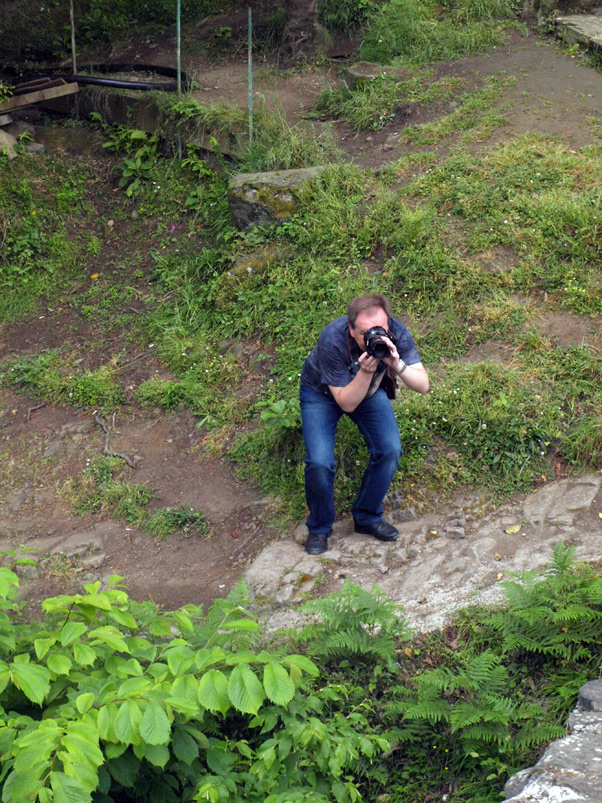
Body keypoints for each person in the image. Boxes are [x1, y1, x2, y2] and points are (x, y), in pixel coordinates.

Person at [299, 294, 429, 555]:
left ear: (388, 325)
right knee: (320, 462)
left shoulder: (397, 333)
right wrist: (367, 371)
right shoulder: (333, 339)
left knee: (389, 448)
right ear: (350, 329)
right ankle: (319, 528)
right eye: (365, 333)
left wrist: (396, 363)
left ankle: (367, 517)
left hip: (368, 391)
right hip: (321, 394)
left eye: (380, 330)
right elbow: (346, 402)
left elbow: (424, 386)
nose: (374, 337)